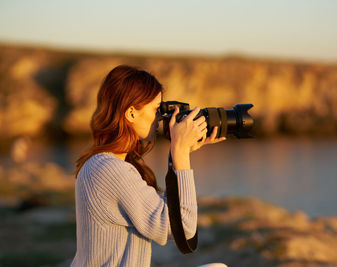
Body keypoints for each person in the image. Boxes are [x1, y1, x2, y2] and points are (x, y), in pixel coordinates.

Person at [71, 65, 226, 267]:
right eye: (155, 109)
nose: (160, 118)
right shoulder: (109, 170)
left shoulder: (107, 165)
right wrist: (179, 152)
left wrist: (182, 151)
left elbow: (171, 213)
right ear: (131, 113)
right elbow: (183, 228)